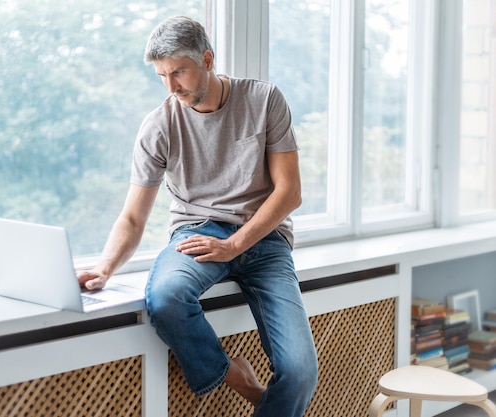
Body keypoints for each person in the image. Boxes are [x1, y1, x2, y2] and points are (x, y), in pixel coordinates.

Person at [75, 16, 318, 416]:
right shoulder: (159, 125)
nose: (171, 86)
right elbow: (133, 218)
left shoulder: (264, 100)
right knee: (166, 298)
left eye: (179, 72)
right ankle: (234, 376)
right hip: (198, 232)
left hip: (264, 238)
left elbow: (289, 193)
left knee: (299, 372)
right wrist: (105, 269)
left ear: (207, 59)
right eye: (162, 75)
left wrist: (234, 245)